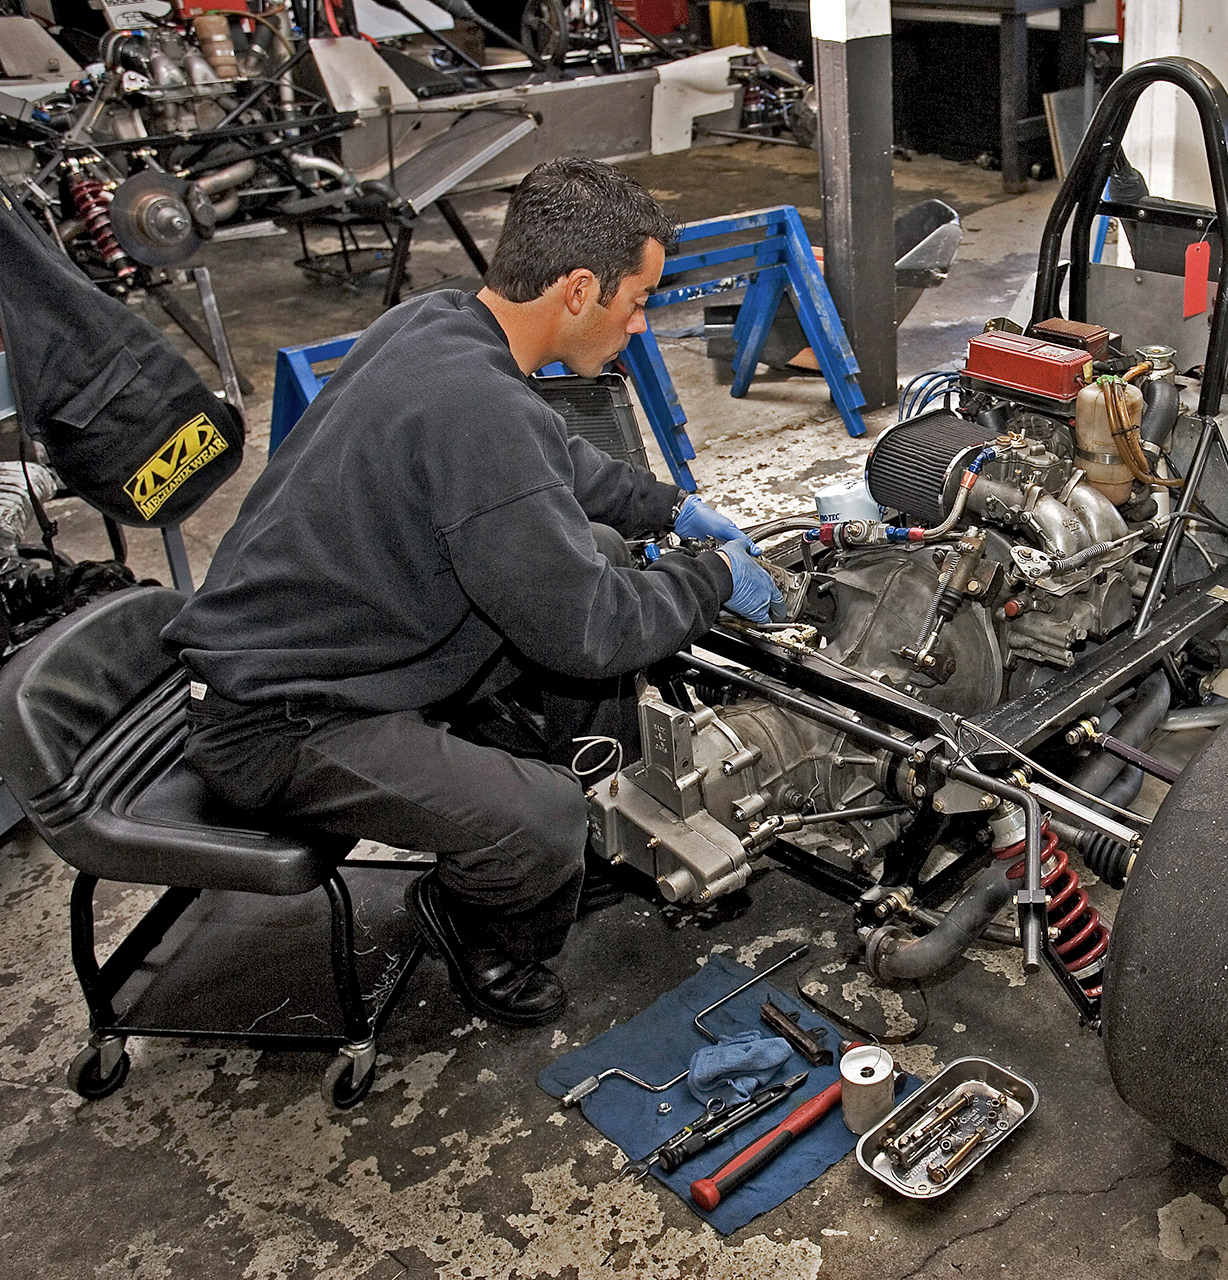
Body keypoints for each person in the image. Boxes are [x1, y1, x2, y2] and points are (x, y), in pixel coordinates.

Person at [163, 159, 778, 1028]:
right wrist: (710, 577)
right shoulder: (477, 408)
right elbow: (591, 633)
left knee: (599, 545)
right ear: (576, 291)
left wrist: (670, 507)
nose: (641, 325)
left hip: (350, 644)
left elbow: (552, 461)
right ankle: (481, 927)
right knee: (536, 817)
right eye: (636, 300)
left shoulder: (443, 323)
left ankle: (574, 841)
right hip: (279, 718)